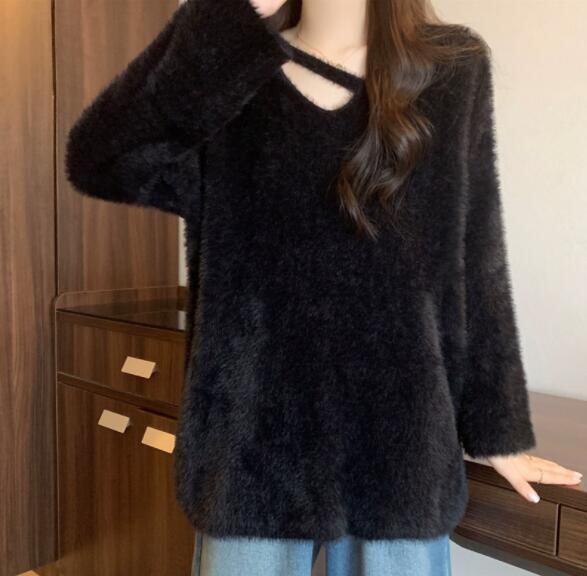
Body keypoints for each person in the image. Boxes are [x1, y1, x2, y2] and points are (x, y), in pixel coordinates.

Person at [64, 0, 583, 574]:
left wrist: (495, 430)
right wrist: (221, 19)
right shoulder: (233, 72)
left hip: (400, 444)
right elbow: (100, 160)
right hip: (252, 447)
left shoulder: (451, 69)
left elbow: (475, 254)